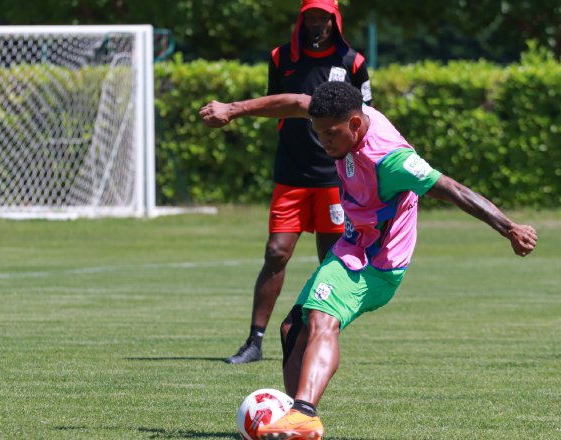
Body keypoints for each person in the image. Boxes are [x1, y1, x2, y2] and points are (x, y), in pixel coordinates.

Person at [199, 81, 538, 439]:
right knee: (293, 329)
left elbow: (453, 190)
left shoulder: (392, 160)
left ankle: (303, 413)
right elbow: (297, 101)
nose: (323, 142)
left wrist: (509, 228)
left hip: (378, 261)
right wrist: (234, 109)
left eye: (331, 134)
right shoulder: (337, 113)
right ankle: (296, 423)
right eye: (318, 133)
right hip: (352, 246)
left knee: (321, 317)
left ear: (356, 124)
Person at [223, 0, 372, 364]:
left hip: (335, 178)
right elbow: (278, 103)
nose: (317, 24)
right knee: (276, 251)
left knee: (333, 258)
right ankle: (255, 341)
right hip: (291, 173)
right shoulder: (280, 57)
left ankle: (324, 335)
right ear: (301, 19)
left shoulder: (352, 61)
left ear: (335, 21)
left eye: (324, 18)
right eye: (311, 17)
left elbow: (366, 116)